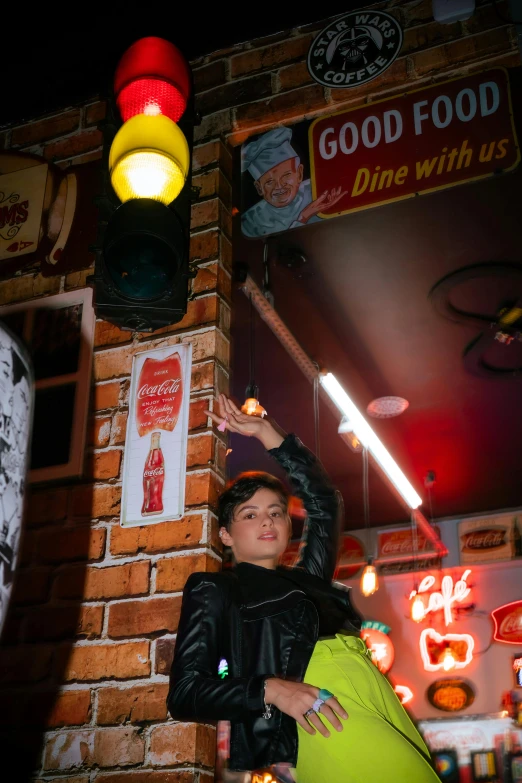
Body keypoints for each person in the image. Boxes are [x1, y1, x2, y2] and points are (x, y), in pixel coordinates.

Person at [168, 395, 440, 783]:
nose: (267, 521)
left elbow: (325, 503)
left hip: (376, 691)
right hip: (321, 705)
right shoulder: (217, 588)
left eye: (275, 512)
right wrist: (272, 690)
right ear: (225, 535)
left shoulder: (308, 577)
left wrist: (266, 431)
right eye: (250, 514)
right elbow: (186, 692)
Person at [241, 127, 345, 238]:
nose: (279, 186)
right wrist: (304, 217)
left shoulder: (320, 191)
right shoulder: (251, 224)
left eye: (286, 176)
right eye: (270, 182)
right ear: (259, 188)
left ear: (299, 173)